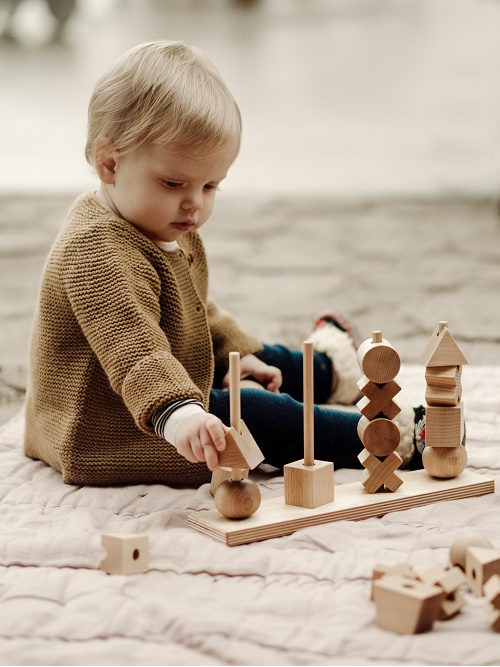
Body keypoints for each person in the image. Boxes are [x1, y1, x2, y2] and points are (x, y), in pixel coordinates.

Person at [24, 40, 422, 487]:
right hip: (108, 427)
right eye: (174, 182)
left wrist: (241, 355)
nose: (194, 204)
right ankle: (386, 438)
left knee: (259, 360)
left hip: (164, 386)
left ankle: (329, 371)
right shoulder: (96, 251)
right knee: (254, 415)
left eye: (211, 185)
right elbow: (136, 354)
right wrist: (181, 415)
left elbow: (196, 312)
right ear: (109, 163)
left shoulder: (160, 221)